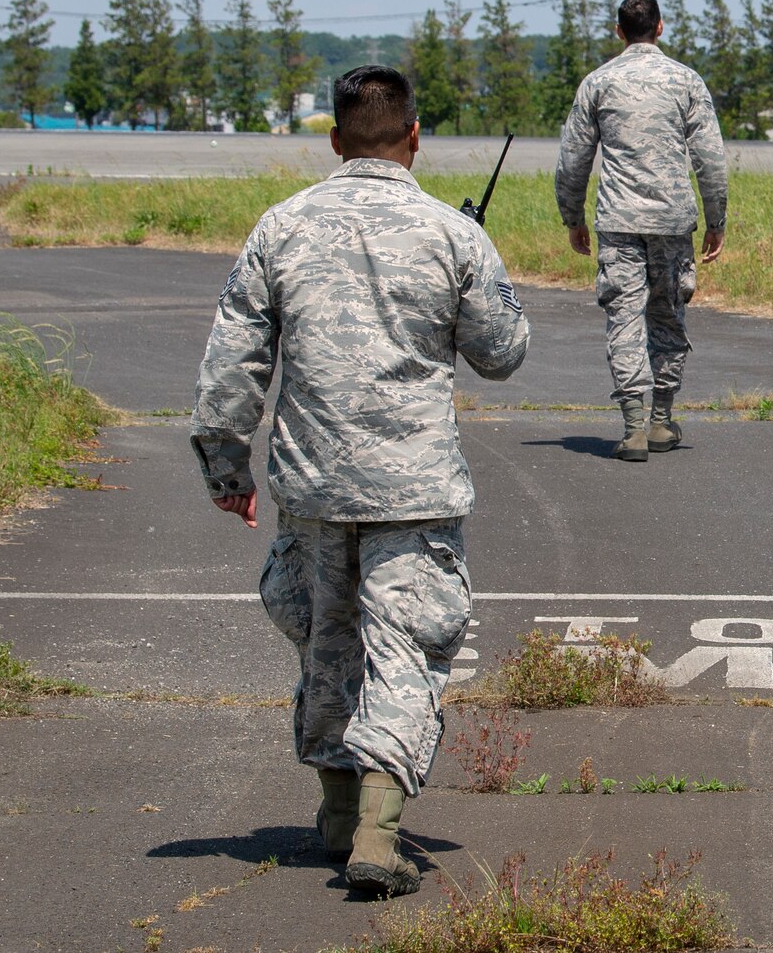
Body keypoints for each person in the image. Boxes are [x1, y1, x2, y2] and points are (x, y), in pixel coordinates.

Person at [190, 65, 530, 898]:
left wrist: (227, 466)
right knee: (404, 651)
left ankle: (338, 815)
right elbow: (503, 352)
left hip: (311, 486)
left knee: (328, 644)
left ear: (336, 140)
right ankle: (376, 834)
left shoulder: (281, 226)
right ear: (415, 137)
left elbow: (232, 362)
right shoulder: (451, 234)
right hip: (412, 492)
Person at [554, 0, 729, 461]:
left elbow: (573, 159)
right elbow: (711, 160)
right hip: (672, 222)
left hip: (619, 220)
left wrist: (572, 217)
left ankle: (631, 426)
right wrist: (716, 219)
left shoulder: (599, 83)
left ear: (618, 31)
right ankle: (661, 420)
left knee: (623, 317)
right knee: (668, 315)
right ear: (661, 28)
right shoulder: (686, 81)